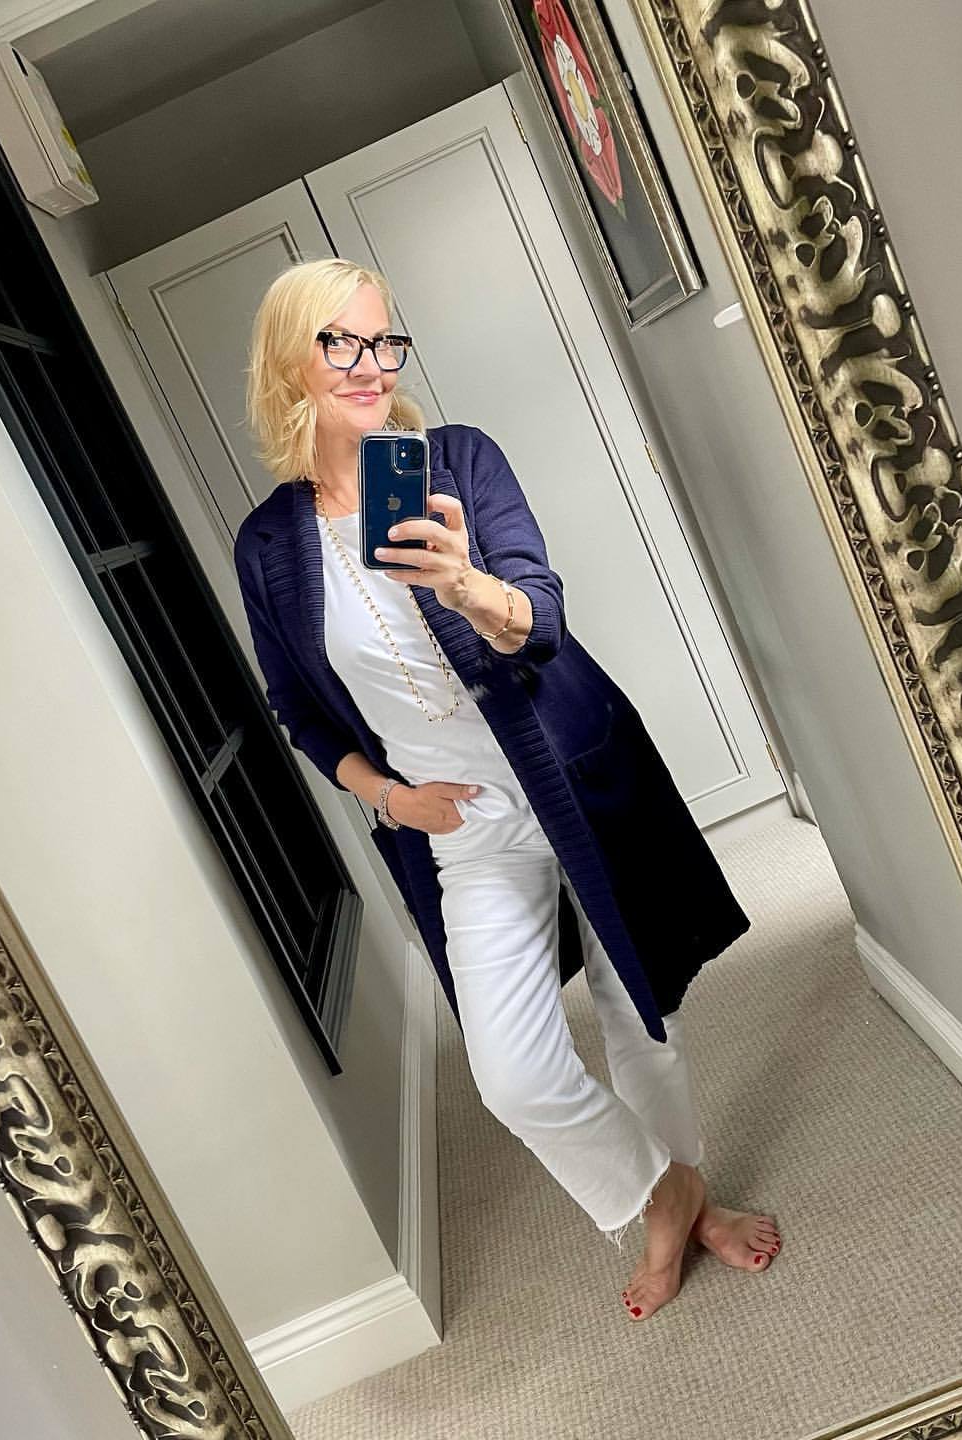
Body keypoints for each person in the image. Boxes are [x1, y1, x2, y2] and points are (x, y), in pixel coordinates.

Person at [234, 257, 781, 1322]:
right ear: (290, 361)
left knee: (638, 1012)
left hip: (575, 776)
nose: (370, 364)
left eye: (384, 340)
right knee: (514, 1077)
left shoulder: (456, 461)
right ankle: (668, 1195)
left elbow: (542, 612)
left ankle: (686, 1207)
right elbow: (296, 709)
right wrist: (391, 799)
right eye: (341, 342)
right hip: (464, 828)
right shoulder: (269, 546)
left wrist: (461, 581)